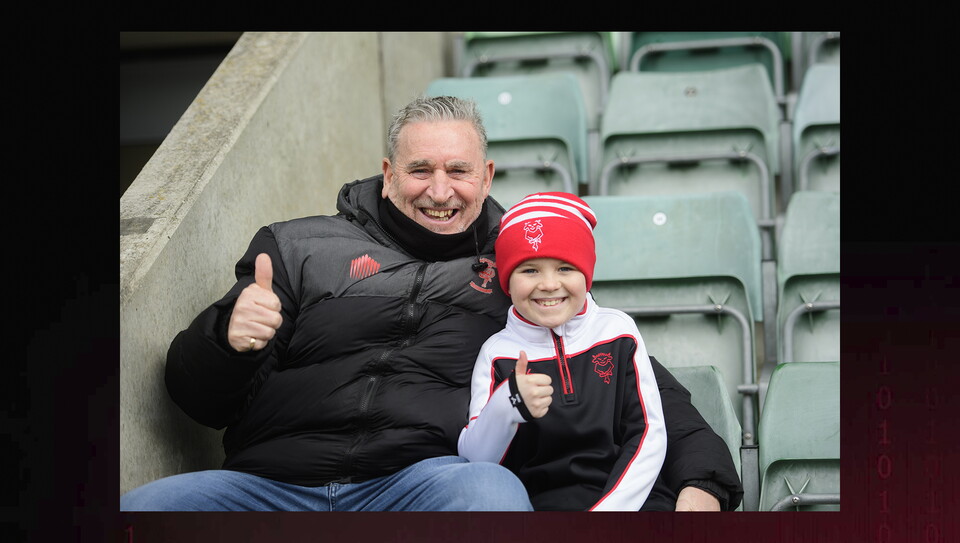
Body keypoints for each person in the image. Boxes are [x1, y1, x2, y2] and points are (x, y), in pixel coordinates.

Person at [120, 95, 742, 511]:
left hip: (422, 483)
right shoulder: (295, 246)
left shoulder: (520, 270)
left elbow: (636, 379)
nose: (439, 191)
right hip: (270, 483)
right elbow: (197, 398)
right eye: (420, 170)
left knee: (490, 492)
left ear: (488, 176)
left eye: (458, 171)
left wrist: (701, 480)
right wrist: (227, 340)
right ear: (388, 173)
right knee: (140, 510)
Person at [458, 193, 667, 511]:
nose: (548, 284)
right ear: (507, 281)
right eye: (529, 270)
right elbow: (475, 460)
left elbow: (649, 433)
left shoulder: (618, 332)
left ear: (587, 273)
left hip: (630, 501)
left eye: (565, 268)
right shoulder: (497, 353)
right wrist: (509, 403)